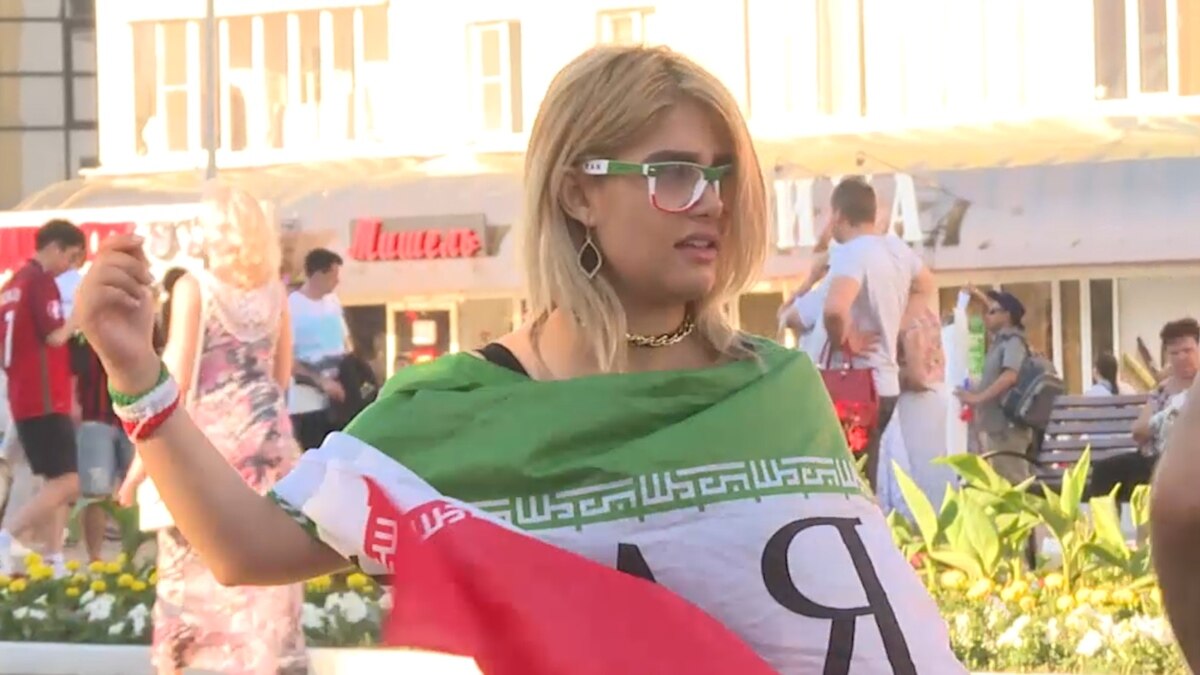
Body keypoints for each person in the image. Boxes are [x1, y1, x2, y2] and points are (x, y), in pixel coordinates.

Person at [75, 46, 964, 673]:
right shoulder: (459, 410)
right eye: (675, 173)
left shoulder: (780, 384)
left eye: (726, 174)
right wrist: (134, 377)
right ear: (579, 190)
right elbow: (243, 545)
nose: (713, 203)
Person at [113, 186, 305, 675]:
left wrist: (140, 464)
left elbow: (171, 377)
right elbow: (281, 377)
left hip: (208, 445)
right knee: (263, 563)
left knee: (193, 562)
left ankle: (195, 663)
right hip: (269, 443)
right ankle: (264, 662)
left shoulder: (194, 287)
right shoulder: (276, 292)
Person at [821, 178, 937, 489]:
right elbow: (926, 284)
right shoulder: (897, 251)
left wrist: (844, 338)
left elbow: (834, 309)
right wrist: (897, 323)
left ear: (839, 215)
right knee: (867, 474)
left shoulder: (852, 253)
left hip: (855, 385)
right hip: (885, 385)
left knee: (848, 479)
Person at [0, 219, 86, 575]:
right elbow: (55, 335)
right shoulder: (41, 283)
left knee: (54, 481)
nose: (69, 265)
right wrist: (80, 316)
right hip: (44, 396)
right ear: (53, 247)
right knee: (69, 481)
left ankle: (53, 556)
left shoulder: (12, 286)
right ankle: (6, 537)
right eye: (69, 256)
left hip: (22, 393)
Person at [955, 288, 1032, 484]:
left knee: (1012, 483)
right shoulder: (1000, 341)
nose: (986, 316)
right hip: (996, 428)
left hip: (1007, 430)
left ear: (1007, 316)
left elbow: (1010, 375)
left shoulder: (1013, 342)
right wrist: (976, 294)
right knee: (999, 482)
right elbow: (993, 310)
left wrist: (976, 398)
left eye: (992, 312)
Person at [287, 248, 348, 451]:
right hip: (306, 403)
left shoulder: (333, 303)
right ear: (318, 275)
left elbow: (343, 342)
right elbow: (288, 359)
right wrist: (321, 382)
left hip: (338, 400)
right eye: (333, 275)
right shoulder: (292, 307)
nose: (337, 281)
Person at [1133, 318, 1198, 455]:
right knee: (1104, 469)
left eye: (1187, 351)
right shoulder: (1162, 390)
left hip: (1191, 459)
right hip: (1156, 458)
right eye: (1174, 353)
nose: (1181, 357)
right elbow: (1138, 431)